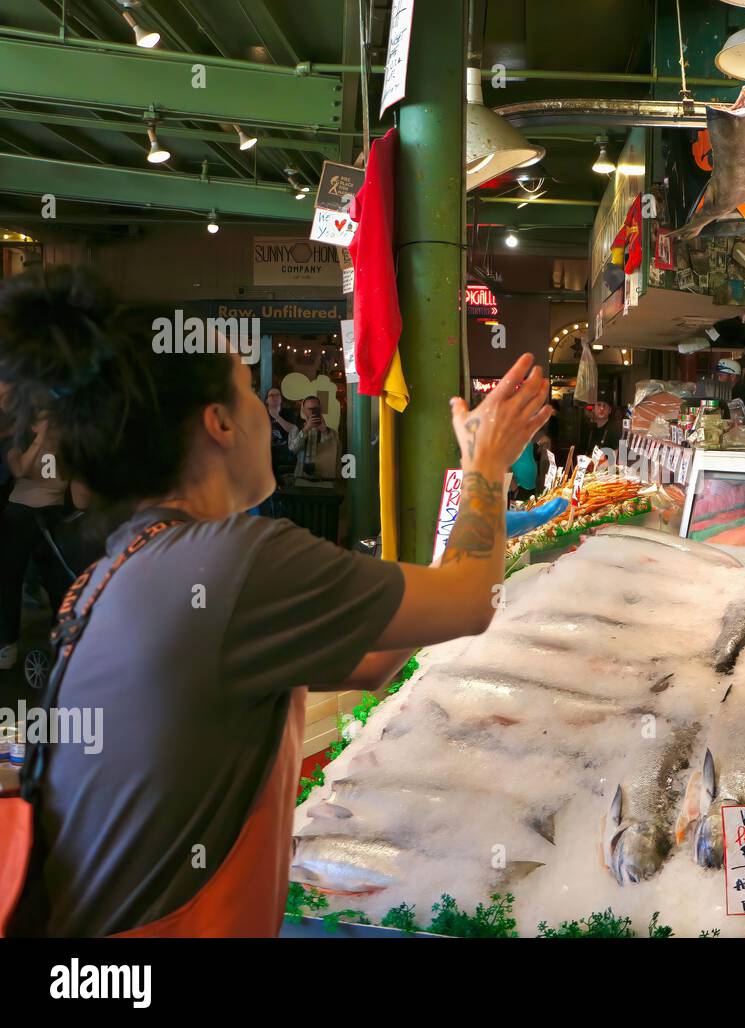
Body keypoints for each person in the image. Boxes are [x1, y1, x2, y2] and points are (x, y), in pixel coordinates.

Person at [0, 267, 552, 937]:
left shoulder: (127, 563)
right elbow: (471, 601)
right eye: (250, 393)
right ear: (220, 424)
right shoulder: (232, 559)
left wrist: (467, 509)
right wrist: (487, 467)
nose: (268, 409)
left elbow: (374, 659)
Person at [0, 416, 71, 671]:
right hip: (19, 512)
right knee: (9, 579)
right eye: (42, 419)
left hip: (52, 514)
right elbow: (20, 471)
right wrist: (40, 440)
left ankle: (62, 639)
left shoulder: (68, 447)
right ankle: (8, 644)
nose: (51, 423)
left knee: (57, 582)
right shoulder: (17, 445)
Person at [290, 395, 340, 481]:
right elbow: (293, 449)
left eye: (315, 409)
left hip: (324, 478)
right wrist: (305, 430)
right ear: (303, 410)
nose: (312, 412)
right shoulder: (296, 429)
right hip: (301, 477)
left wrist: (324, 431)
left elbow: (336, 452)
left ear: (320, 410)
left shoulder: (331, 432)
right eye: (310, 409)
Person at [265, 387, 299, 480]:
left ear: (281, 399)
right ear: (267, 400)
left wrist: (277, 416)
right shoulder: (262, 414)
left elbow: (293, 430)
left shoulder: (287, 413)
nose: (275, 397)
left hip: (286, 447)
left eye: (277, 395)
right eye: (271, 395)